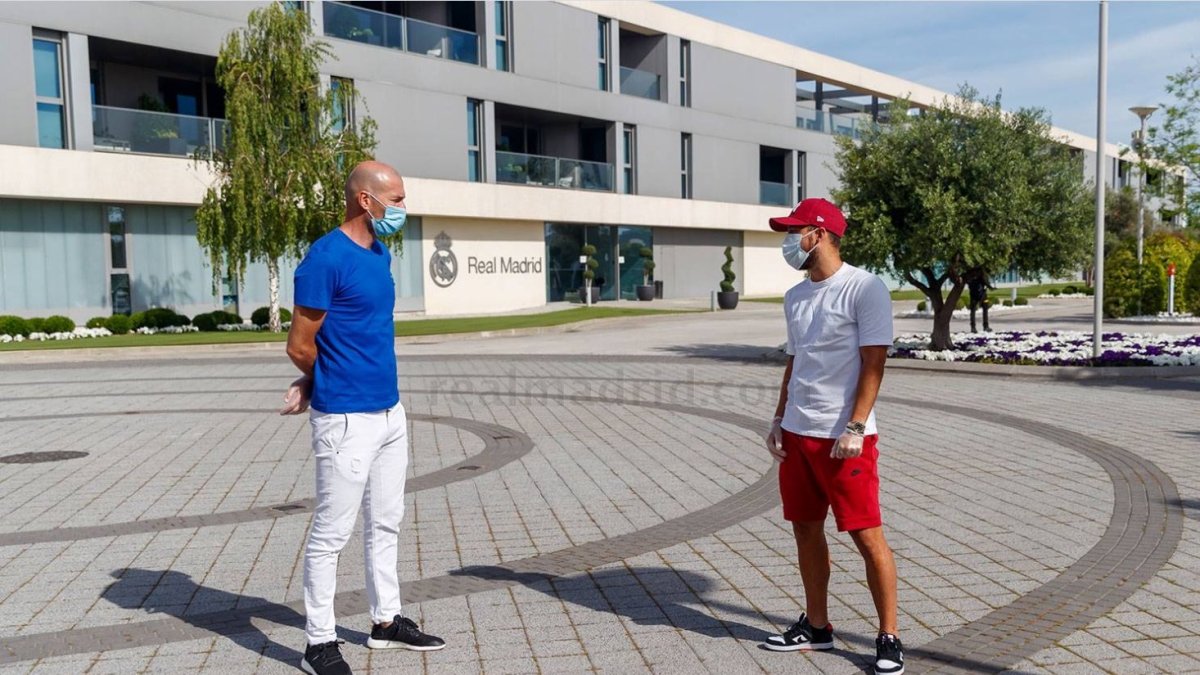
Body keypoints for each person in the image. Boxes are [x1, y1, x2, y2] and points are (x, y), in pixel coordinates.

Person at [282, 160, 445, 675]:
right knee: (332, 533)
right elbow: (300, 344)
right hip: (347, 420)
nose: (402, 208)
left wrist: (316, 378)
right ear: (365, 200)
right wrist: (321, 382)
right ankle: (319, 642)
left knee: (386, 521)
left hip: (390, 411)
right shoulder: (324, 259)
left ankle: (385, 623)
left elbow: (356, 334)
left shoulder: (378, 253)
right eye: (395, 199)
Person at [761, 198, 903, 675]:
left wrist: (856, 426)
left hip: (845, 439)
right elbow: (795, 361)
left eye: (793, 230)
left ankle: (888, 636)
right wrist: (779, 418)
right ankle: (818, 628)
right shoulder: (796, 296)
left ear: (818, 234)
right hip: (799, 434)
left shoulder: (865, 288)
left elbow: (874, 362)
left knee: (866, 536)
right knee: (804, 529)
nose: (788, 240)